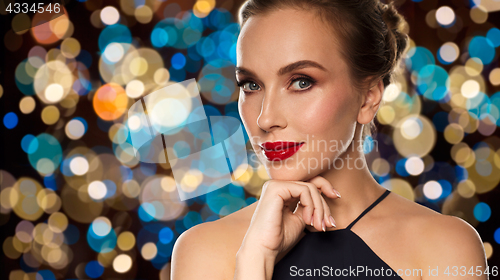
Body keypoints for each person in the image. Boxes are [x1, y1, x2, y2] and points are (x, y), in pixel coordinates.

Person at [171, 0, 489, 279]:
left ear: (368, 98)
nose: (265, 119)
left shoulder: (445, 246)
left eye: (301, 82)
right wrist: (255, 260)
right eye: (251, 85)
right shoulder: (204, 250)